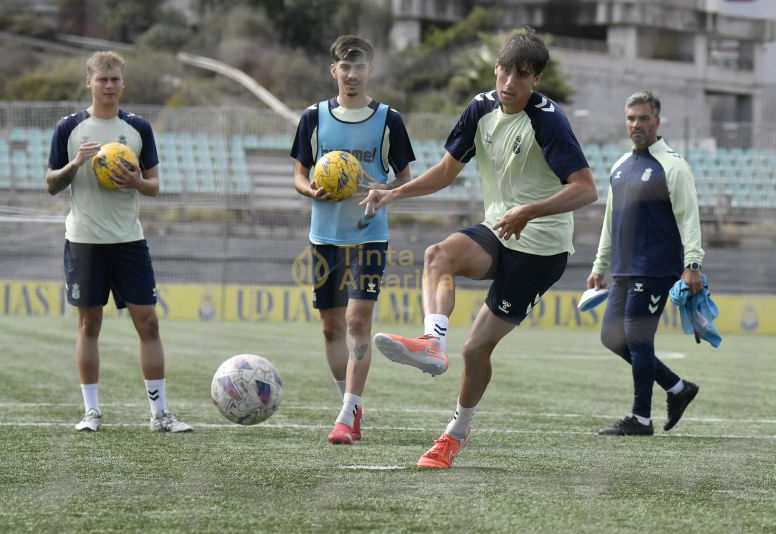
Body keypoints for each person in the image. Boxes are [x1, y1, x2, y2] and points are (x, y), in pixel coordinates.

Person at [361, 27, 597, 467]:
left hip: (541, 250)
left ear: (536, 80)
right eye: (505, 71)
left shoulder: (549, 121)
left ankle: (455, 433)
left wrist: (530, 211)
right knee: (438, 256)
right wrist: (394, 191)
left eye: (522, 76)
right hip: (498, 228)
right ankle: (432, 342)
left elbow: (585, 190)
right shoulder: (481, 108)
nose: (509, 83)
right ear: (495, 68)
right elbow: (447, 170)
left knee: (475, 350)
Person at [46, 51, 192, 433]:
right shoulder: (70, 128)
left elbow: (156, 186)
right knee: (88, 325)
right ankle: (91, 412)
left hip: (129, 240)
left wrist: (137, 183)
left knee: (148, 322)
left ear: (122, 84)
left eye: (115, 80)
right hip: (84, 241)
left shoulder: (138, 128)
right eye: (102, 79)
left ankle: (160, 415)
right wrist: (75, 164)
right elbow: (50, 184)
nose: (109, 86)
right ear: (89, 83)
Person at [290, 35, 415, 444]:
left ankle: (346, 414)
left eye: (359, 66)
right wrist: (310, 190)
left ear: (370, 70)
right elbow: (299, 174)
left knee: (357, 321)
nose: (352, 74)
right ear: (334, 71)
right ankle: (349, 403)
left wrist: (386, 188)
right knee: (330, 328)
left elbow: (405, 180)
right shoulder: (313, 117)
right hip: (325, 237)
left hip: (368, 235)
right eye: (345, 66)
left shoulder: (389, 121)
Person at [587, 90, 702, 436]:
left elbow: (689, 217)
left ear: (657, 122)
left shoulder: (673, 166)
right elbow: (610, 221)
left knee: (637, 338)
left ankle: (641, 418)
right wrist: (599, 265)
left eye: (643, 118)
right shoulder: (620, 167)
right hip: (622, 268)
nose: (636, 124)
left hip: (655, 268)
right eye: (631, 118)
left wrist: (693, 263)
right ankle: (678, 387)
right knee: (611, 337)